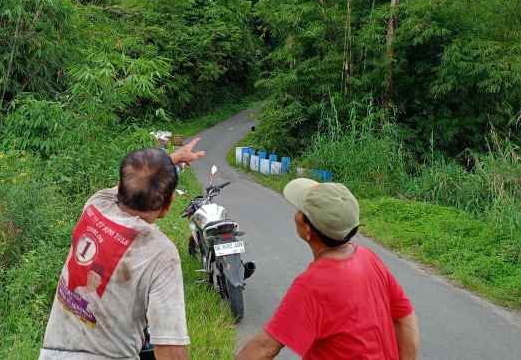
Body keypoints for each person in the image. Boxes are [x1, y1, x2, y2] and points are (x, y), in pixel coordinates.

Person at [39, 139, 206, 360]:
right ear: (167, 205)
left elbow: (131, 182)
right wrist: (171, 164)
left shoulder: (96, 204)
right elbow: (169, 350)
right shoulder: (161, 253)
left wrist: (172, 159)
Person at [236, 178, 420, 360]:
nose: (296, 213)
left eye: (300, 210)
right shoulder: (368, 257)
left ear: (308, 230)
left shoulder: (312, 285)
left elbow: (264, 348)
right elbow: (405, 318)